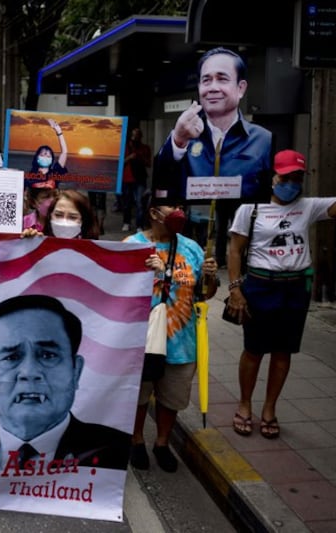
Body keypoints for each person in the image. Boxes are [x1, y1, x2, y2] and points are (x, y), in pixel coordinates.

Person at [0, 294, 130, 470]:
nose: (29, 372)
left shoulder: (119, 455)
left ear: (75, 371)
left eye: (48, 355)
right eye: (11, 358)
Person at [228, 150, 336, 439]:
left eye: (297, 178)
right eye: (285, 177)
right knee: (254, 349)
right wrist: (235, 288)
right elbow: (235, 250)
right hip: (261, 286)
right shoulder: (251, 208)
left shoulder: (309, 206)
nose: (291, 183)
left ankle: (269, 409)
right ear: (273, 176)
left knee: (283, 351)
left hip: (296, 288)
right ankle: (244, 404)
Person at [125, 190, 218, 472]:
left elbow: (205, 294)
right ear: (154, 213)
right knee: (139, 395)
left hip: (181, 341)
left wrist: (211, 278)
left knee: (172, 398)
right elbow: (120, 290)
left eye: (181, 205)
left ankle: (162, 443)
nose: (179, 211)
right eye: (172, 206)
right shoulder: (132, 245)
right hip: (141, 339)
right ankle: (137, 439)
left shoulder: (192, 248)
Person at [154, 46, 273, 267]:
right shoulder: (182, 136)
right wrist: (178, 141)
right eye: (206, 80)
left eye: (222, 79)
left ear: (240, 88)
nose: (213, 88)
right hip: (190, 255)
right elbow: (161, 187)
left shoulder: (263, 140)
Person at [24, 189, 100, 240]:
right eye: (58, 215)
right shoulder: (40, 239)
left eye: (72, 217)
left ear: (84, 220)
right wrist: (30, 243)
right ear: (50, 216)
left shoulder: (94, 251)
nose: (64, 222)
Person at [121, 126, 152, 232]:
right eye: (133, 135)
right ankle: (126, 222)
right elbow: (119, 164)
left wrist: (141, 157)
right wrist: (129, 157)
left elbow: (149, 164)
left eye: (137, 135)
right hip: (127, 178)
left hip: (140, 179)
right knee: (127, 203)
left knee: (140, 203)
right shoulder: (125, 148)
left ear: (141, 136)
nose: (135, 137)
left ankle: (139, 225)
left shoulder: (145, 148)